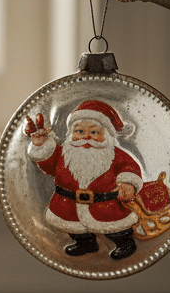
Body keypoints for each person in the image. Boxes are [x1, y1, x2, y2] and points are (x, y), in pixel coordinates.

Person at [26, 99, 142, 261]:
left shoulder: (115, 155)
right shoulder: (65, 153)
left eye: (94, 132)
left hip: (106, 206)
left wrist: (128, 183)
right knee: (74, 229)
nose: (86, 136)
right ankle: (86, 244)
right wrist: (41, 145)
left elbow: (130, 168)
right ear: (71, 134)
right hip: (69, 205)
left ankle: (125, 244)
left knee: (116, 229)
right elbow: (49, 165)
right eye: (79, 131)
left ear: (107, 135)